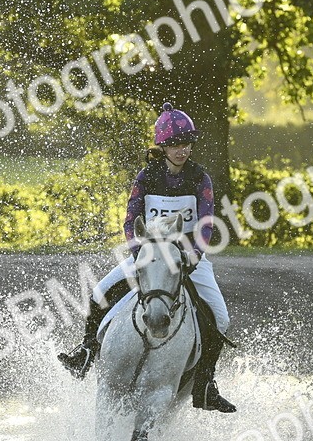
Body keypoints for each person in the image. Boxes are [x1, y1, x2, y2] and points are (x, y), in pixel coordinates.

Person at [57, 102, 236, 413]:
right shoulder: (146, 176)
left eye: (186, 144)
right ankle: (84, 353)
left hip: (188, 259)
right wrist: (140, 252)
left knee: (221, 318)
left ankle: (204, 384)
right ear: (163, 147)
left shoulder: (200, 178)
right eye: (175, 144)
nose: (182, 150)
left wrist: (193, 256)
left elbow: (206, 224)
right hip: (149, 256)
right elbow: (130, 220)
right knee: (100, 292)